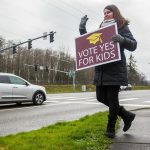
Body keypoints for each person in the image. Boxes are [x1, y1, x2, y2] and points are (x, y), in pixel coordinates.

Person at [79, 4, 137, 138]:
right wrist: (82, 29)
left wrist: (122, 39)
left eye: (108, 12)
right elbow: (89, 43)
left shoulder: (121, 26)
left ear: (115, 13)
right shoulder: (101, 28)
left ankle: (110, 127)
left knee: (112, 98)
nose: (105, 14)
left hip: (115, 69)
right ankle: (126, 115)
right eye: (104, 12)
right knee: (100, 97)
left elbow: (133, 44)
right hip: (101, 69)